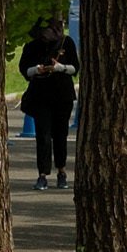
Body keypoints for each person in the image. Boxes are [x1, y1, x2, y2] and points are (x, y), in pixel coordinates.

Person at [18, 16, 79, 191]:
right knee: (43, 136)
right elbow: (24, 69)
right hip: (40, 95)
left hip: (62, 95)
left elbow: (75, 67)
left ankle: (62, 171)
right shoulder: (32, 46)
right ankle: (42, 174)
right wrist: (36, 70)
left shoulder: (66, 43)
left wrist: (61, 67)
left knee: (60, 134)